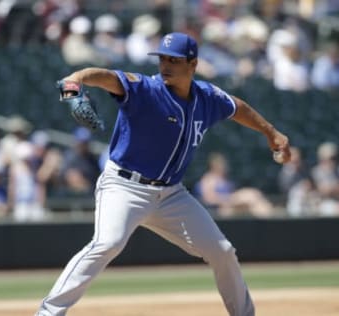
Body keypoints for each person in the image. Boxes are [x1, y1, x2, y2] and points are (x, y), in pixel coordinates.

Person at [36, 32, 291, 316]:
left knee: (223, 251)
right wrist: (72, 87)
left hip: (171, 194)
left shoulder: (207, 97)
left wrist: (270, 131)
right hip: (124, 187)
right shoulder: (145, 88)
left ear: (193, 64)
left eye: (174, 59)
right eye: (162, 58)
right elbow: (92, 76)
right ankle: (48, 312)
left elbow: (236, 107)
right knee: (108, 243)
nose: (165, 65)